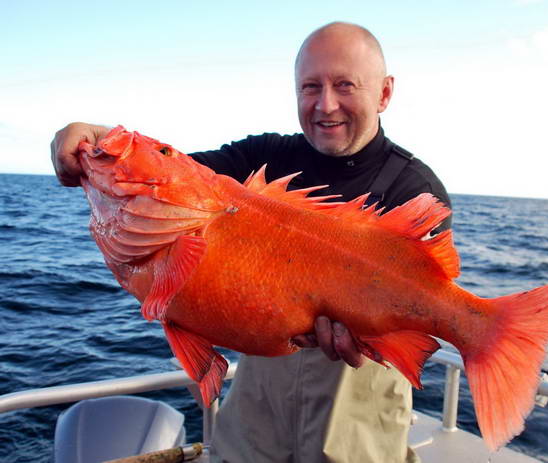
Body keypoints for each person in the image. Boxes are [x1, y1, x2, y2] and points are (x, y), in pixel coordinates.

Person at [51, 22, 450, 463]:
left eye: (345, 85)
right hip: (257, 418)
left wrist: (377, 337)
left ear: (384, 93)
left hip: (358, 420)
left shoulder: (415, 190)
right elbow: (173, 176)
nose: (325, 103)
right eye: (310, 86)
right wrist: (93, 134)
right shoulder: (267, 156)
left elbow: (421, 312)